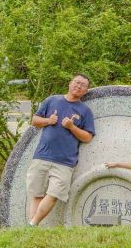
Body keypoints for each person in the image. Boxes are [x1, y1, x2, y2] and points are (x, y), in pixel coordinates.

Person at [26, 75, 95, 226]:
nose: (78, 86)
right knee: (37, 195)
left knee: (54, 194)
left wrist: (72, 127)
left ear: (86, 91)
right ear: (70, 83)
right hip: (42, 155)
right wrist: (48, 121)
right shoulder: (52, 100)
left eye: (83, 85)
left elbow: (87, 137)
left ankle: (32, 224)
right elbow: (34, 121)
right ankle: (32, 228)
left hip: (65, 161)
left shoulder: (85, 111)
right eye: (77, 82)